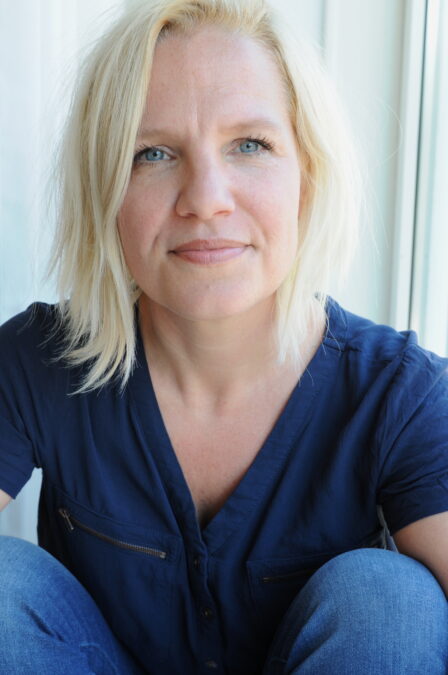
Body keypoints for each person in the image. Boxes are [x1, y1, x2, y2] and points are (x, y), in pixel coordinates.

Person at [0, 0, 447, 673]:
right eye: (153, 153)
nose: (206, 198)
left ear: (307, 175)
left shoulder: (403, 395)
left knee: (390, 601)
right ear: (106, 189)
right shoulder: (38, 361)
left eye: (250, 145)